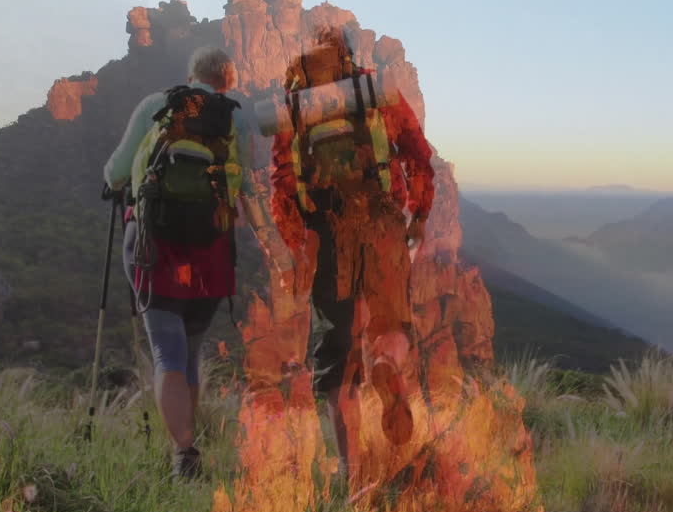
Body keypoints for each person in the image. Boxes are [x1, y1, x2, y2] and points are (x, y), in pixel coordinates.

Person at [268, 28, 435, 480]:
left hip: (327, 234)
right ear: (348, 54)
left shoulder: (296, 105)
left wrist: (297, 247)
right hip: (383, 227)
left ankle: (350, 468)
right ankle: (386, 362)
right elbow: (419, 155)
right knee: (389, 324)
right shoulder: (375, 92)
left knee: (337, 351)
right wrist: (418, 213)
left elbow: (282, 185)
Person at [103, 46, 268, 479]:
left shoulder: (156, 106)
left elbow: (117, 171)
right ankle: (187, 446)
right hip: (210, 249)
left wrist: (116, 179)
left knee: (167, 351)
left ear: (192, 74)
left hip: (153, 244)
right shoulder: (234, 117)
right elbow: (247, 183)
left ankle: (184, 452)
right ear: (227, 81)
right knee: (191, 351)